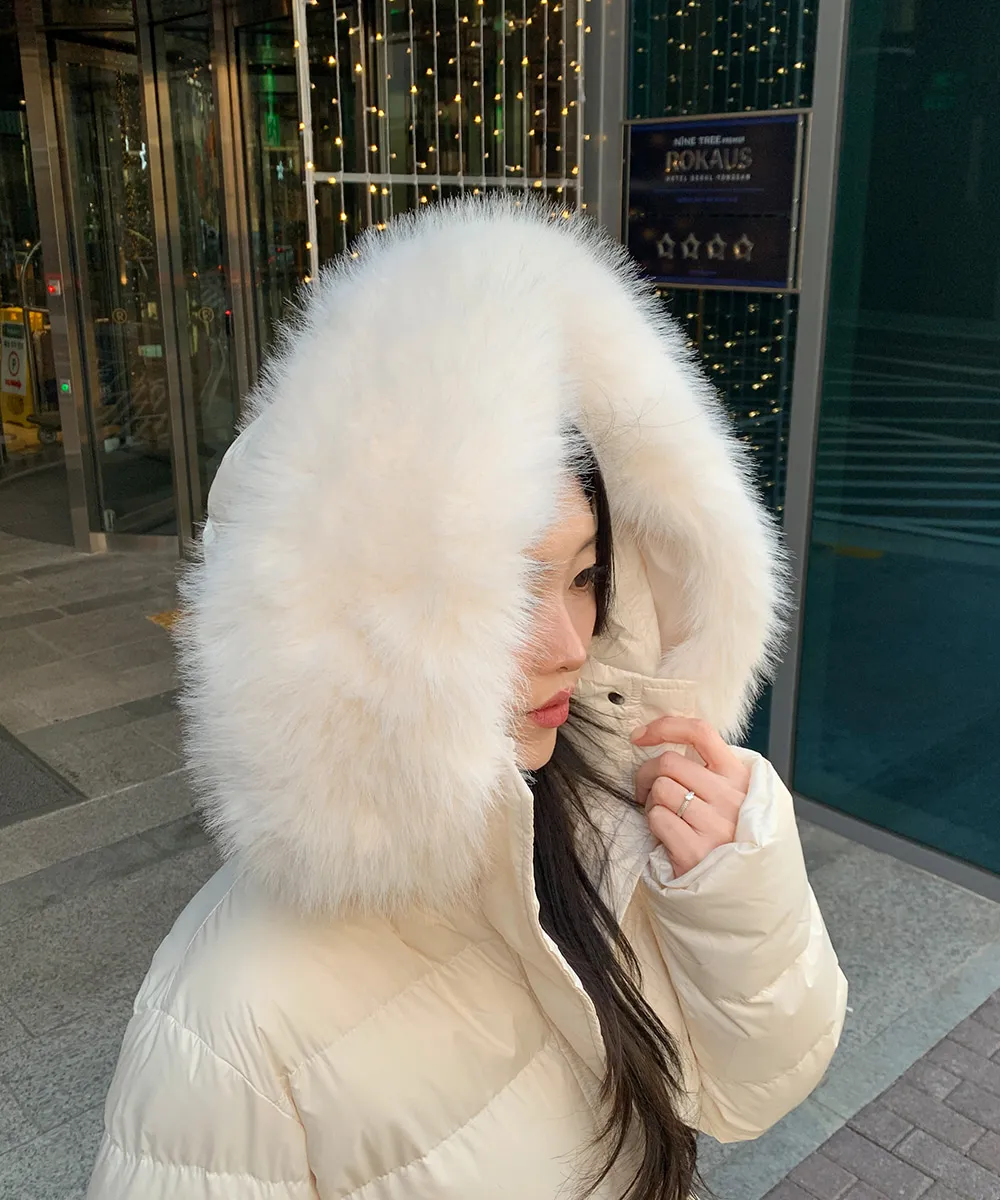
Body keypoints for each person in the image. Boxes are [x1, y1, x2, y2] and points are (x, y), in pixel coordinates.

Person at [88, 199, 847, 1200]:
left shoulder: (599, 812)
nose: (569, 646)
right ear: (356, 626)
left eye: (586, 577)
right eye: (509, 593)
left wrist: (737, 890)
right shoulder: (227, 1014)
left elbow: (748, 1093)